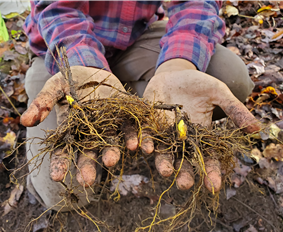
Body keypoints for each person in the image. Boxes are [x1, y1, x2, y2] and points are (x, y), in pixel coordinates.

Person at [21, 0, 260, 211]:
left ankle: (136, 111)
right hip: (65, 51)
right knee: (64, 196)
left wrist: (178, 66)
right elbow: (59, 10)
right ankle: (119, 107)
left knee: (229, 76)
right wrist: (87, 68)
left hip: (134, 39)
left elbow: (195, 3)